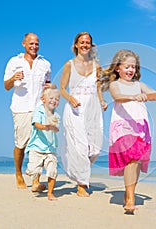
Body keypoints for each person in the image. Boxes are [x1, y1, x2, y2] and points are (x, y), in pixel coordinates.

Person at [100, 49, 156, 214]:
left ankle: (129, 193)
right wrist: (134, 97)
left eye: (134, 67)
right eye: (127, 66)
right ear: (118, 68)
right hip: (123, 126)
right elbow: (117, 97)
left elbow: (151, 93)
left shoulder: (139, 85)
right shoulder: (115, 84)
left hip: (140, 126)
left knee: (137, 161)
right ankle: (130, 198)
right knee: (131, 159)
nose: (131, 70)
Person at [60, 32, 108, 197]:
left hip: (93, 109)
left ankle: (78, 172)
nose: (85, 45)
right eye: (82, 42)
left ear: (91, 45)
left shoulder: (97, 66)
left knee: (95, 148)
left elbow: (98, 87)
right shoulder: (69, 64)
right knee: (80, 147)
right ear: (76, 45)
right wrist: (70, 98)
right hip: (75, 109)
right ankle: (81, 184)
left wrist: (102, 101)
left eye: (88, 42)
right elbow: (61, 89)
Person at [4, 32, 53, 190]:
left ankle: (36, 180)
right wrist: (13, 78)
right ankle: (18, 173)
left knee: (38, 144)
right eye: (31, 43)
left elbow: (47, 84)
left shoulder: (45, 64)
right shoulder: (14, 61)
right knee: (21, 144)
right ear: (24, 44)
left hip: (40, 108)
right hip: (21, 108)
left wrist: (49, 90)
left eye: (36, 43)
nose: (34, 46)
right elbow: (6, 86)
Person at [25, 88, 60, 201]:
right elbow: (36, 125)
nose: (54, 100)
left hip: (50, 148)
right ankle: (31, 172)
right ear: (43, 99)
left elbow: (56, 128)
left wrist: (53, 126)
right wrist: (46, 126)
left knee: (52, 170)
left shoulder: (56, 115)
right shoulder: (38, 111)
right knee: (34, 170)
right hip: (36, 147)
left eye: (57, 99)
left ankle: (50, 193)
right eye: (51, 98)